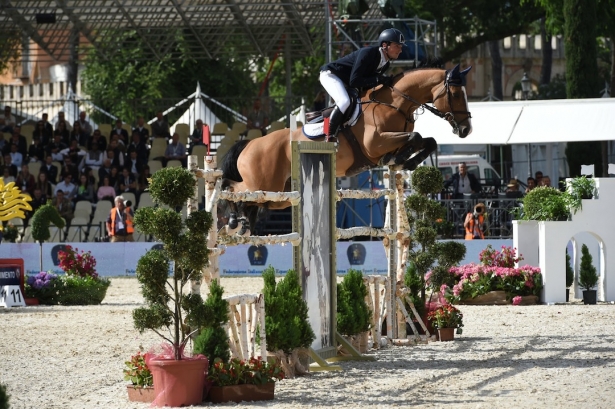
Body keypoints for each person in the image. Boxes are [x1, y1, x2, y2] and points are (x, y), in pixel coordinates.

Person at [318, 28, 405, 142]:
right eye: (397, 46)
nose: (400, 50)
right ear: (385, 45)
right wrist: (378, 79)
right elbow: (355, 81)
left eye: (401, 47)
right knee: (344, 101)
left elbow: (366, 84)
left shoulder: (385, 64)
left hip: (347, 82)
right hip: (331, 75)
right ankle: (329, 135)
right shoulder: (368, 53)